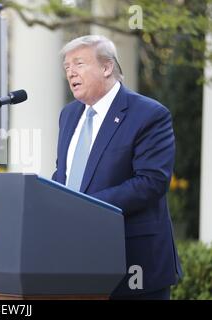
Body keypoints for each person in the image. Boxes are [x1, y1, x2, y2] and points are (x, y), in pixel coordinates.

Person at [52, 35, 182, 300]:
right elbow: (64, 177)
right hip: (75, 261)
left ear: (107, 67)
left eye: (78, 63)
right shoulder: (68, 115)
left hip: (132, 264)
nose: (71, 72)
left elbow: (151, 182)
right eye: (67, 67)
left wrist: (82, 205)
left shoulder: (149, 114)